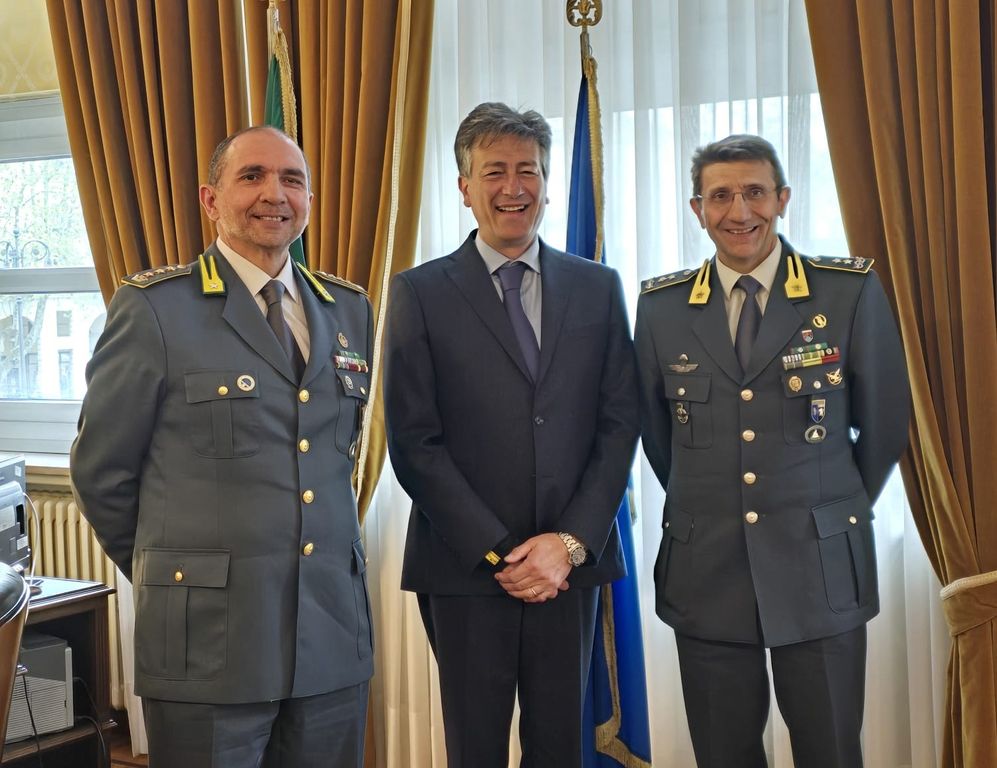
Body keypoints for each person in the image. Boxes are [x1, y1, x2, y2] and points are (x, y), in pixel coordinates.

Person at [70, 126, 373, 768]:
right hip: (206, 642)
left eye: (292, 180)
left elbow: (333, 457)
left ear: (310, 200)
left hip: (329, 633)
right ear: (211, 200)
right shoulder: (156, 309)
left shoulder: (348, 309)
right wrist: (177, 577)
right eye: (252, 176)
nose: (275, 194)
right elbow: (102, 475)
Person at [634, 134, 910, 768]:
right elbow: (657, 435)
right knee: (723, 754)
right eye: (720, 196)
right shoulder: (662, 308)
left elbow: (885, 425)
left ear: (782, 199)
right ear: (697, 209)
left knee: (830, 751)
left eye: (755, 192)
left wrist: (829, 508)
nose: (740, 212)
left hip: (819, 567)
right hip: (707, 573)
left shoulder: (845, 292)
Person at [383, 102, 639, 768]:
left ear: (547, 184)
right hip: (465, 569)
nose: (512, 187)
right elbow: (413, 441)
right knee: (475, 750)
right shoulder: (418, 293)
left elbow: (619, 426)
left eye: (528, 170)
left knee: (560, 748)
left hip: (567, 570)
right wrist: (501, 554)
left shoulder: (597, 287)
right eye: (493, 171)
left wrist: (566, 545)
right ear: (464, 188)